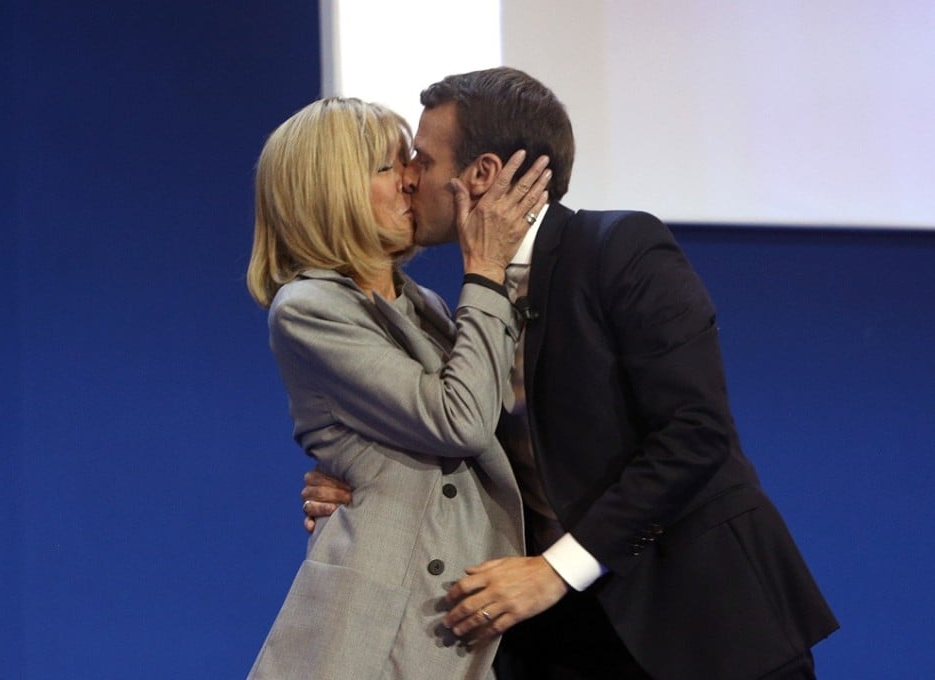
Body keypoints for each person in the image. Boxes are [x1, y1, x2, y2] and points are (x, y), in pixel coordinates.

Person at [302, 68, 839, 679]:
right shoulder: (465, 302)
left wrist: (556, 570)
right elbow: (461, 433)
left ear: (480, 174)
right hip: (562, 642)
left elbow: (696, 434)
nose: (408, 178)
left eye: (422, 159)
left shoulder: (620, 248)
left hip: (701, 622)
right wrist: (362, 479)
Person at [244, 97, 552, 680]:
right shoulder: (309, 307)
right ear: (331, 192)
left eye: (410, 160)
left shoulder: (426, 307)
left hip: (453, 624)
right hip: (374, 634)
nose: (414, 177)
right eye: (390, 167)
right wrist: (484, 269)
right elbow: (457, 419)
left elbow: (493, 429)